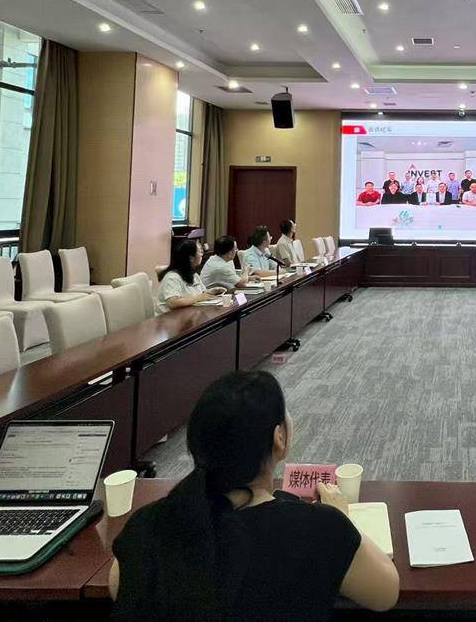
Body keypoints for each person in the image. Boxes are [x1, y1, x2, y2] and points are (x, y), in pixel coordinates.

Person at [109, 370, 399, 620]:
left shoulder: (148, 524)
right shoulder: (322, 528)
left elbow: (118, 586)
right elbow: (386, 593)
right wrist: (343, 517)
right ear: (279, 438)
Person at [157, 240, 214, 315]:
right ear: (191, 258)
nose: (201, 255)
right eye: (199, 252)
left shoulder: (194, 275)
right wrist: (198, 298)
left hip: (188, 314)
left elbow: (201, 293)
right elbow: (172, 302)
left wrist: (211, 291)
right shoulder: (173, 277)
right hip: (169, 318)